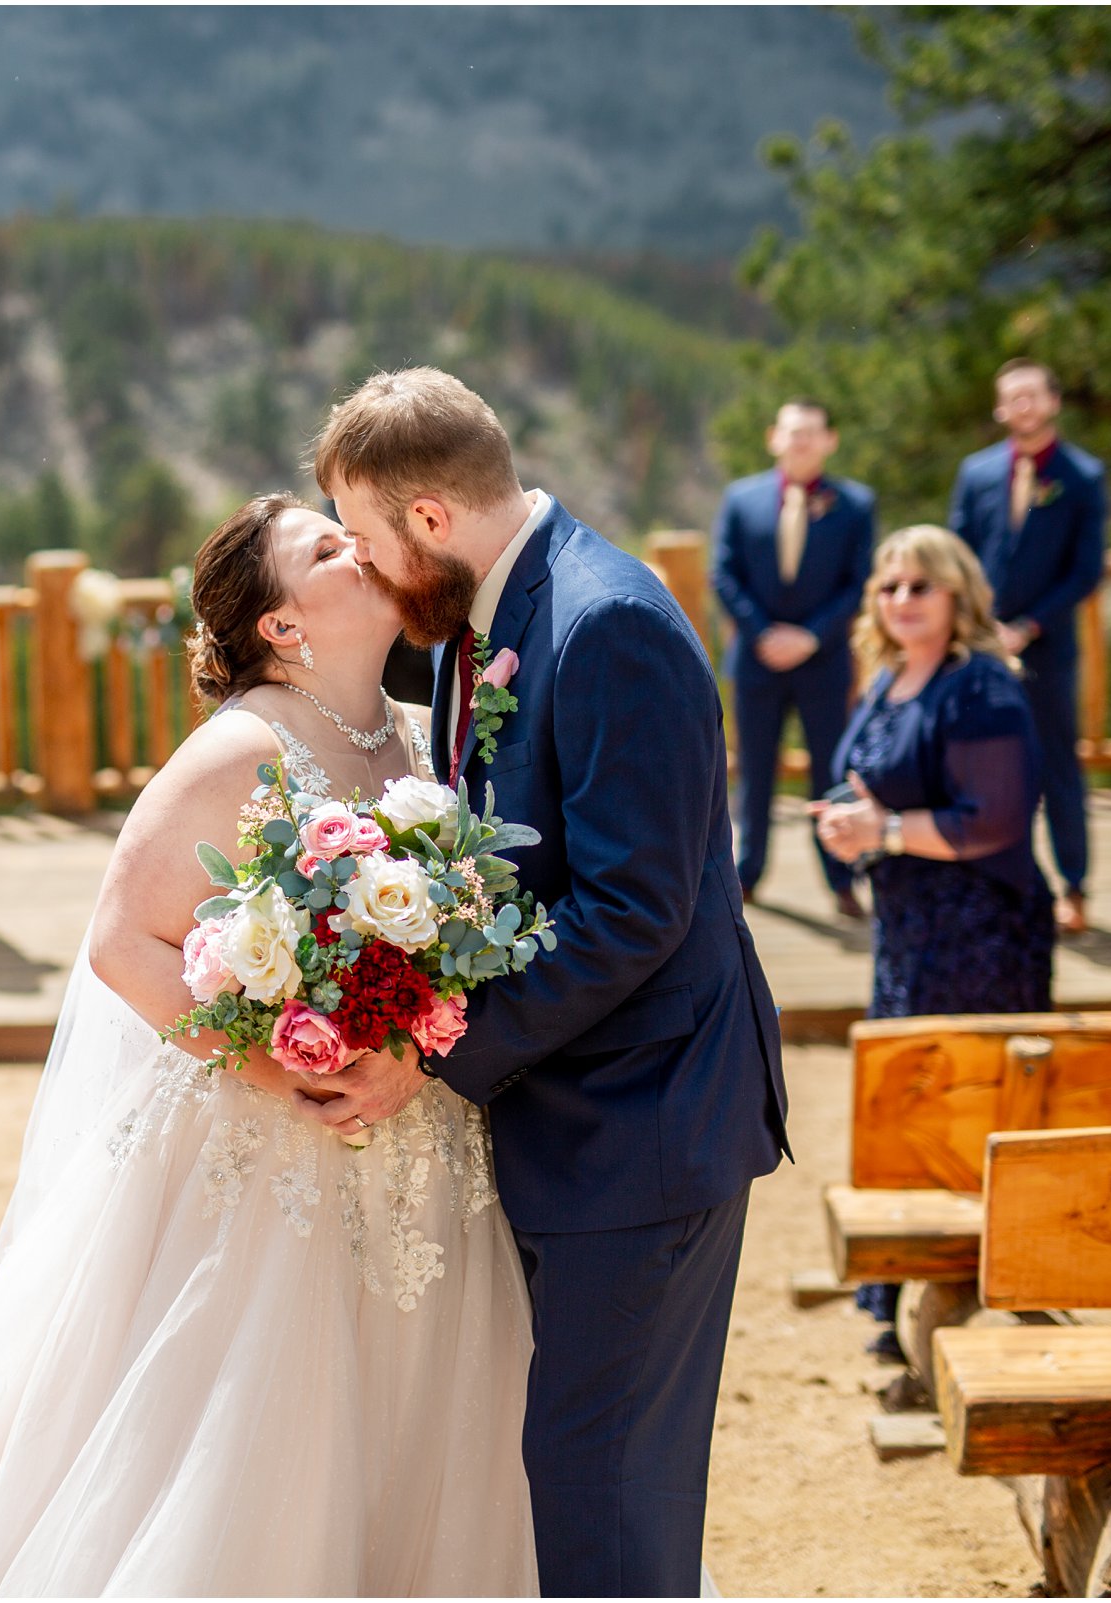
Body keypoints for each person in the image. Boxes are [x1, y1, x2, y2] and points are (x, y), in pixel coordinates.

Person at [0, 491, 536, 1595]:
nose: (363, 549)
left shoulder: (420, 731)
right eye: (327, 547)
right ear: (281, 626)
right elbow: (119, 942)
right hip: (273, 1151)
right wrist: (272, 1063)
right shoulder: (240, 748)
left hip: (422, 1138)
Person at [300, 369, 789, 1597]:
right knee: (579, 1475)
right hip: (580, 1121)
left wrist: (427, 1054)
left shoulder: (604, 619)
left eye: (362, 541)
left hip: (644, 1127)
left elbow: (631, 910)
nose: (364, 570)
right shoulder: (496, 611)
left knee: (602, 1489)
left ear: (426, 518)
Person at [814, 526, 1055, 1019]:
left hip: (978, 931)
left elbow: (991, 820)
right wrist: (850, 829)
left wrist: (884, 831)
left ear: (958, 593)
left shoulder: (980, 686)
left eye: (921, 586)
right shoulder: (888, 676)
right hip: (903, 921)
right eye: (890, 586)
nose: (902, 598)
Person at [948, 359, 1107, 935]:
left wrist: (1030, 626)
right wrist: (972, 624)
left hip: (1045, 646)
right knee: (984, 764)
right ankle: (998, 878)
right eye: (1011, 397)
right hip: (979, 647)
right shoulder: (978, 471)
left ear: (1053, 402)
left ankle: (1074, 885)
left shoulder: (1081, 475)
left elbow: (1086, 570)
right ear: (999, 409)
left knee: (1058, 765)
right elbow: (957, 553)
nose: (1022, 406)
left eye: (1032, 395)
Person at [711, 399, 876, 915]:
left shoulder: (855, 504)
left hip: (824, 661)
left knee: (831, 767)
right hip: (758, 660)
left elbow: (859, 581)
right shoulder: (743, 499)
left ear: (830, 440)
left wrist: (809, 636)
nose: (801, 442)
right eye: (792, 432)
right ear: (773, 438)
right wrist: (763, 634)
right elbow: (725, 573)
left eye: (811, 433)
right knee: (753, 771)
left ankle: (842, 879)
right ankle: (748, 874)